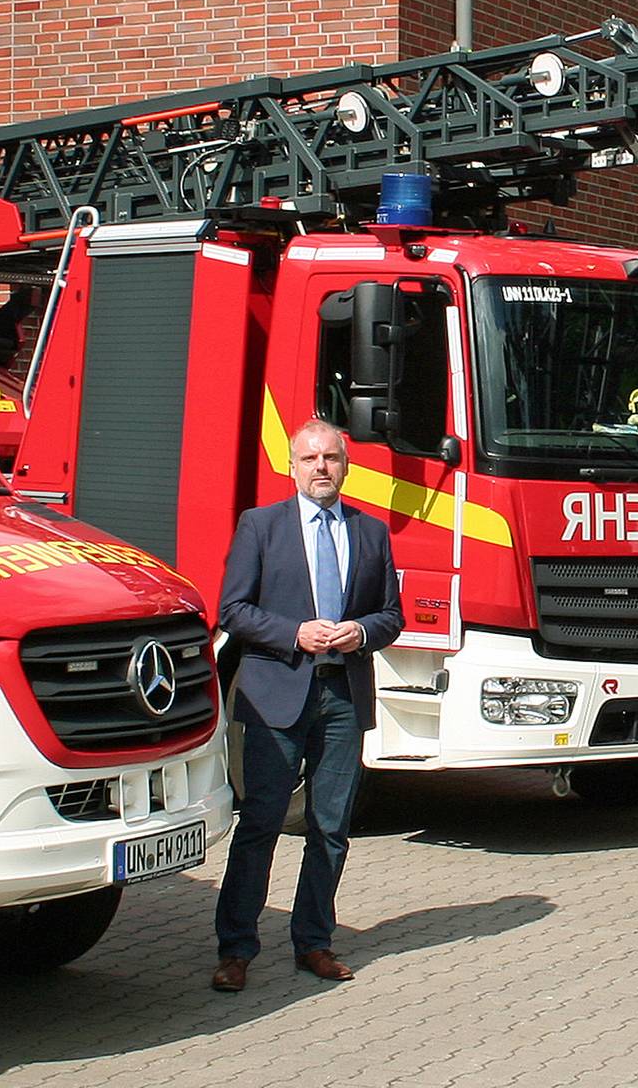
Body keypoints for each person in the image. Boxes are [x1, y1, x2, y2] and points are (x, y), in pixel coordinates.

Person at [210, 419, 403, 991]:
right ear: (292, 467)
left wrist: (360, 632)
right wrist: (295, 633)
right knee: (262, 823)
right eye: (310, 458)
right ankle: (236, 949)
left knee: (331, 826)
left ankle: (314, 941)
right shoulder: (261, 526)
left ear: (347, 465)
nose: (321, 467)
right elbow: (233, 610)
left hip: (342, 695)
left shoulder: (371, 533)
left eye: (331, 458)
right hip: (276, 696)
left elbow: (391, 615)